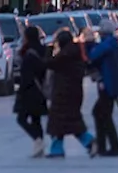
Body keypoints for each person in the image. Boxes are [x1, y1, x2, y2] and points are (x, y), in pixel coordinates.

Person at [44, 29, 96, 158]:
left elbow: (50, 63)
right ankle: (86, 142)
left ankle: (88, 142)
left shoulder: (66, 55)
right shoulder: (74, 53)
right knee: (69, 121)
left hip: (63, 94)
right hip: (72, 93)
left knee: (61, 121)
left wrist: (48, 51)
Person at [86, 20, 118, 157]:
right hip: (109, 84)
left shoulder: (107, 45)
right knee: (100, 113)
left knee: (103, 114)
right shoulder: (110, 44)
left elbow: (93, 56)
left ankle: (113, 147)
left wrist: (89, 45)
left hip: (108, 85)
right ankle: (104, 146)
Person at [14, 27, 49, 157]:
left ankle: (37, 140)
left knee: (21, 118)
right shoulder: (43, 50)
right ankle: (38, 146)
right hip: (41, 89)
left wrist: (20, 90)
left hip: (30, 91)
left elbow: (26, 75)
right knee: (36, 119)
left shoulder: (29, 54)